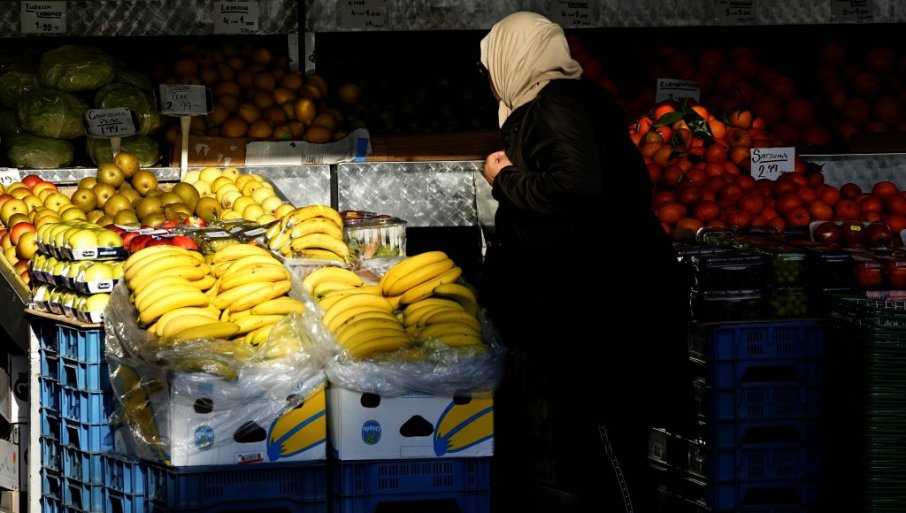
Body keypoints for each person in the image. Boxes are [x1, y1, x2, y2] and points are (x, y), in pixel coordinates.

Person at [477, 12, 695, 513]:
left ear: (515, 59)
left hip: (603, 302)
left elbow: (576, 186)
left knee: (605, 435)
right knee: (601, 436)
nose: (488, 80)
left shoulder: (556, 106)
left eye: (489, 67)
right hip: (605, 293)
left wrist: (504, 180)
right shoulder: (570, 102)